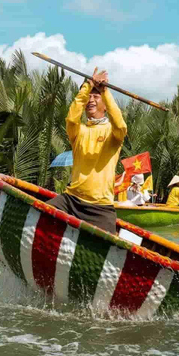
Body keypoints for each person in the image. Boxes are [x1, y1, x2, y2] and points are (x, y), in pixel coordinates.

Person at [46, 68, 127, 233]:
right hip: (71, 200)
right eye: (89, 96)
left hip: (100, 207)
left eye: (96, 96)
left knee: (106, 248)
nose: (91, 99)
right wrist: (87, 86)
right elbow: (71, 118)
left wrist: (104, 90)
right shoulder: (78, 131)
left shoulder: (114, 133)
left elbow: (120, 124)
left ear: (104, 103)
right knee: (39, 214)